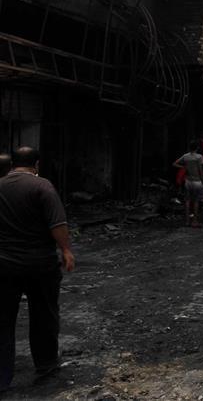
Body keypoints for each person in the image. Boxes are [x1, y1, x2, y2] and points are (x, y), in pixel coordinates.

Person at [0, 147, 75, 391]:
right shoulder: (43, 186)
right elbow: (58, 223)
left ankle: (2, 376)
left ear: (12, 163)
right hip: (40, 263)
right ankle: (46, 367)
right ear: (37, 164)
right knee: (44, 315)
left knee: (3, 319)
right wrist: (66, 250)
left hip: (4, 264)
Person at [173, 141, 203, 227]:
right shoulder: (199, 157)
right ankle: (194, 221)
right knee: (196, 201)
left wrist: (183, 167)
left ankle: (187, 221)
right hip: (197, 181)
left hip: (188, 181)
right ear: (197, 148)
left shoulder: (185, 156)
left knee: (187, 201)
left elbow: (175, 163)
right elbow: (200, 170)